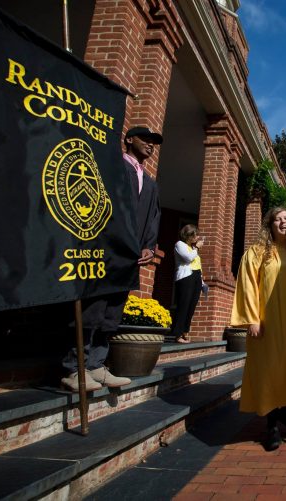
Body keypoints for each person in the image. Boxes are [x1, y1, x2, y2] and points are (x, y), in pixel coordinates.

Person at [61, 126, 162, 392]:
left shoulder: (150, 183)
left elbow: (153, 217)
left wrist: (148, 247)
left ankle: (96, 365)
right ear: (128, 139)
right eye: (145, 140)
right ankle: (75, 367)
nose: (151, 145)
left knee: (112, 313)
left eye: (154, 142)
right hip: (105, 251)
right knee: (93, 309)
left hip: (128, 258)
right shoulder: (113, 167)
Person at [230, 207, 286, 451]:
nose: (283, 223)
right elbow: (247, 284)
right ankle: (271, 426)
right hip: (272, 323)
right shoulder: (258, 252)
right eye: (278, 219)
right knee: (274, 372)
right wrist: (252, 319)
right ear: (270, 224)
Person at [171, 224, 205, 344]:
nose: (197, 237)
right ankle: (177, 334)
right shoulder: (180, 244)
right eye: (195, 234)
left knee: (191, 306)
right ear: (188, 235)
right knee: (184, 304)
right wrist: (196, 248)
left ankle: (185, 331)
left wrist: (202, 282)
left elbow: (198, 265)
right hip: (186, 277)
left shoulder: (192, 248)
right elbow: (188, 258)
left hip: (196, 278)